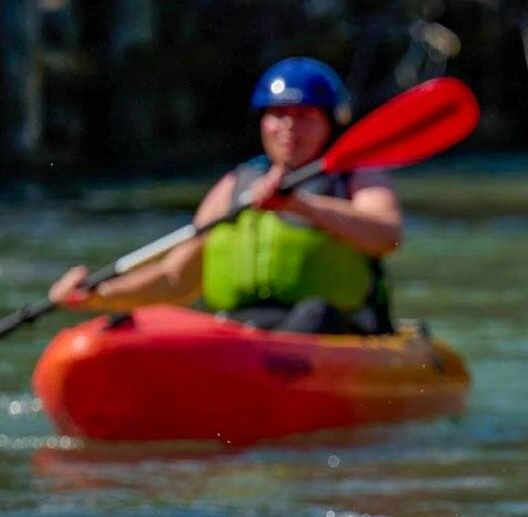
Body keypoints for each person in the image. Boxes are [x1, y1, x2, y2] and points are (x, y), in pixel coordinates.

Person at [47, 58, 403, 335]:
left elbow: (386, 234)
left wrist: (300, 205)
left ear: (330, 122)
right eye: (278, 114)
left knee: (316, 313)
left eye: (305, 115)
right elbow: (176, 279)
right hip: (244, 334)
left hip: (332, 332)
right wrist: (99, 295)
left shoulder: (355, 176)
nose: (289, 127)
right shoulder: (236, 184)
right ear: (262, 122)